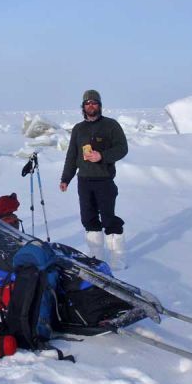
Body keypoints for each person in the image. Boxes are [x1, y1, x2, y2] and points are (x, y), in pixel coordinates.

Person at [60, 90, 129, 270]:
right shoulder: (78, 129)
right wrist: (66, 178)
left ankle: (117, 259)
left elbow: (122, 149)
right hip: (84, 181)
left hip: (104, 180)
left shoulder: (110, 125)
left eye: (94, 102)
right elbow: (72, 155)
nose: (91, 105)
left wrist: (102, 156)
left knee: (109, 219)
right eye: (87, 103)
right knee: (88, 218)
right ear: (83, 107)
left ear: (100, 105)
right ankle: (96, 256)